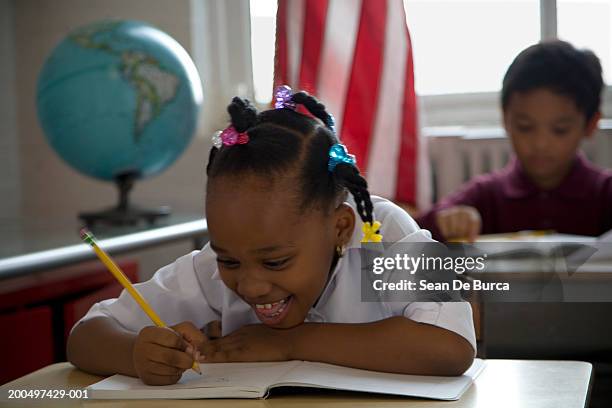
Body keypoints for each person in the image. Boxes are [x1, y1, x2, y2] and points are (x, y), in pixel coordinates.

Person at [67, 86, 476, 385]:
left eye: (275, 261)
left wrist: (290, 342)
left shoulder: (385, 232)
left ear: (340, 227)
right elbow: (85, 336)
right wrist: (137, 354)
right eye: (229, 260)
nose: (250, 284)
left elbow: (453, 345)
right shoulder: (220, 262)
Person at [418, 40, 612, 242]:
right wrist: (448, 223)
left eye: (560, 130)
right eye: (525, 127)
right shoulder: (485, 196)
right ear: (505, 119)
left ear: (590, 125)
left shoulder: (605, 194)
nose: (540, 144)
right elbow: (410, 234)